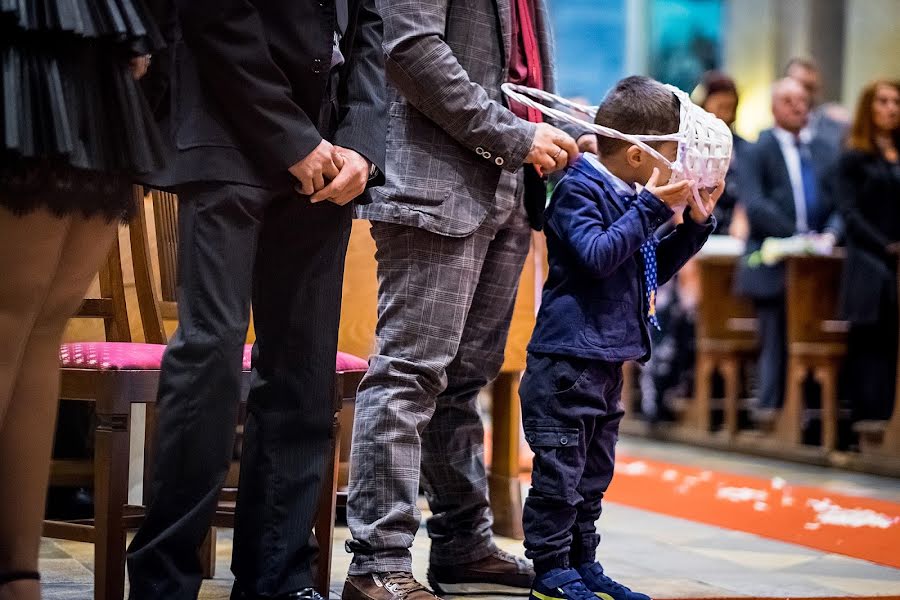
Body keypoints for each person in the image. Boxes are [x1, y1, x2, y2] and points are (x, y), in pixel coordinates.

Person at [124, 1, 386, 599]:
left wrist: (362, 145)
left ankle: (280, 578)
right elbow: (211, 13)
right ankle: (164, 582)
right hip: (227, 127)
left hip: (331, 151)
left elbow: (372, 25)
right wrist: (290, 137)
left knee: (304, 367)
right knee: (210, 355)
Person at [343, 0, 579, 598]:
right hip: (435, 177)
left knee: (464, 380)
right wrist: (516, 136)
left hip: (510, 185)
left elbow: (520, 81)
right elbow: (412, 53)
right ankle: (379, 560)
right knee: (409, 375)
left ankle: (462, 543)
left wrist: (585, 137)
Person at [519, 76, 722, 600]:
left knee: (592, 475)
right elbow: (598, 255)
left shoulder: (626, 194)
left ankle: (583, 562)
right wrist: (653, 209)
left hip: (604, 361)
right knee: (559, 475)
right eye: (673, 153)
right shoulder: (579, 189)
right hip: (566, 363)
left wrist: (694, 226)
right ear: (637, 155)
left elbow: (642, 270)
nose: (678, 164)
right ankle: (550, 569)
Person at [0, 2, 163, 599]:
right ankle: (18, 579)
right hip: (85, 32)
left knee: (29, 323)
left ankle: (19, 580)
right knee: (31, 325)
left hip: (81, 38)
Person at [734, 77, 842, 416]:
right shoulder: (757, 150)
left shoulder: (825, 148)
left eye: (802, 100)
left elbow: (842, 203)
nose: (799, 106)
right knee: (775, 340)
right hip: (773, 261)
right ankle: (772, 409)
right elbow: (755, 204)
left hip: (820, 264)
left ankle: (814, 411)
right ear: (774, 107)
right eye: (789, 100)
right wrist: (798, 236)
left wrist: (829, 234)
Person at [836, 80, 900, 423]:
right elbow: (849, 213)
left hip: (897, 262)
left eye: (896, 101)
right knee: (870, 345)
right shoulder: (854, 156)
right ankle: (868, 421)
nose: (891, 108)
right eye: (883, 101)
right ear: (868, 108)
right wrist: (886, 246)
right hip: (868, 261)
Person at [691, 71, 750, 234]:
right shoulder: (688, 144)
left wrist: (741, 218)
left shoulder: (744, 147)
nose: (725, 114)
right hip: (691, 223)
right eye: (720, 107)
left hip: (731, 227)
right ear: (703, 104)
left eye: (729, 108)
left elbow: (748, 190)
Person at [785, 57, 849, 154]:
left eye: (810, 87)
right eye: (799, 85)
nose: (804, 93)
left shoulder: (835, 123)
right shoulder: (773, 131)